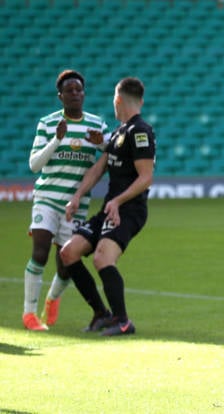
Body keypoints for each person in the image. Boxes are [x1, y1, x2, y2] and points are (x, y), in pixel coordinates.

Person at [59, 77, 155, 336]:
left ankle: (123, 321)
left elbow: (146, 177)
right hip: (109, 209)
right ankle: (102, 314)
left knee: (102, 258)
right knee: (68, 253)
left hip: (129, 210)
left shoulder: (141, 131)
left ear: (118, 99)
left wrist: (117, 200)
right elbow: (98, 169)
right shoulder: (119, 133)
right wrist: (77, 195)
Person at [23, 69, 110, 331]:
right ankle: (29, 315)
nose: (75, 94)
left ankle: (51, 300)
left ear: (84, 94)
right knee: (39, 250)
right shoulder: (48, 123)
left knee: (66, 264)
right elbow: (34, 165)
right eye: (69, 90)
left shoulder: (97, 125)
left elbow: (111, 157)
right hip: (47, 197)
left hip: (76, 203)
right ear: (60, 96)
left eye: (79, 90)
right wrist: (56, 140)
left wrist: (102, 144)